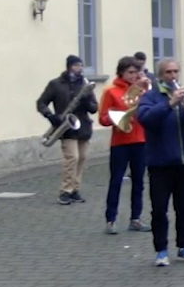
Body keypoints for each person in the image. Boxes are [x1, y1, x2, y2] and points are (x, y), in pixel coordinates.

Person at [137, 60, 184, 266]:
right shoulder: (150, 97)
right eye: (168, 72)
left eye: (176, 71)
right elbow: (146, 119)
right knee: (159, 209)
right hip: (160, 162)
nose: (173, 75)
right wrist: (169, 104)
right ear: (160, 75)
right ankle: (161, 251)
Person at [97, 56, 153, 234]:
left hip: (140, 141)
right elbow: (103, 118)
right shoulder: (111, 91)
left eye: (136, 72)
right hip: (120, 142)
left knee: (139, 182)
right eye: (130, 72)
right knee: (116, 181)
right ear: (121, 72)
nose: (134, 75)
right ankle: (111, 220)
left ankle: (135, 218)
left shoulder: (143, 90)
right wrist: (119, 118)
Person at [36, 55, 98, 205]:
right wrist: (50, 116)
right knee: (72, 158)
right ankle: (65, 191)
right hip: (66, 127)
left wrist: (86, 100)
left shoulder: (85, 84)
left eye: (81, 65)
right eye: (77, 65)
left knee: (81, 158)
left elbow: (94, 108)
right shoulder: (56, 84)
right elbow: (41, 103)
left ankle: (75, 189)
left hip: (83, 127)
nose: (80, 68)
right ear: (69, 66)